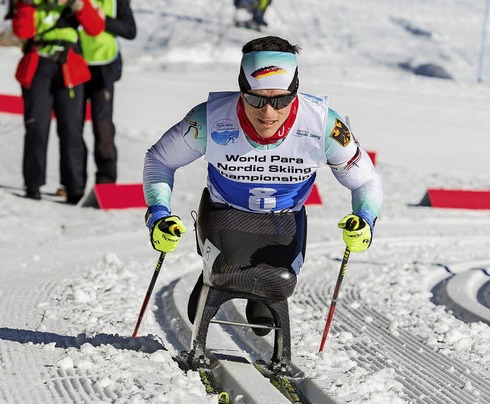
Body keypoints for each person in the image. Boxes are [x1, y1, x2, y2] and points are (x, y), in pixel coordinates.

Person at [142, 36, 383, 365]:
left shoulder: (322, 124)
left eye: (282, 100)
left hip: (283, 222)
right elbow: (160, 160)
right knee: (223, 276)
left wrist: (365, 219)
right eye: (255, 100)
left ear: (295, 91)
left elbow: (366, 179)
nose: (268, 113)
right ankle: (216, 277)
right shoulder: (210, 118)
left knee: (276, 291)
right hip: (224, 216)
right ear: (241, 88)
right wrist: (158, 213)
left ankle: (254, 294)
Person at [11, 0, 106, 203]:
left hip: (69, 66)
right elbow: (22, 32)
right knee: (36, 127)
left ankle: (74, 187)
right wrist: (26, 4)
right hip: (37, 66)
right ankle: (33, 184)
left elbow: (95, 28)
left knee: (71, 129)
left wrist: (77, 5)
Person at [80, 0, 136, 185]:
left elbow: (130, 30)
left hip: (103, 68)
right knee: (72, 129)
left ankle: (106, 180)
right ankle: (74, 183)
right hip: (73, 65)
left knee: (102, 125)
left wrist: (101, 20)